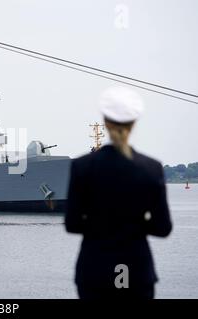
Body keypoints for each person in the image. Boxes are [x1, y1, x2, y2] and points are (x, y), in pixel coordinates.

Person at [65, 86, 172, 299]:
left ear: (105, 122)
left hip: (95, 272)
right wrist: (132, 223)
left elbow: (72, 224)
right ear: (134, 123)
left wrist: (102, 224)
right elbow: (163, 228)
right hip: (137, 270)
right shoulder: (152, 168)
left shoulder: (81, 166)